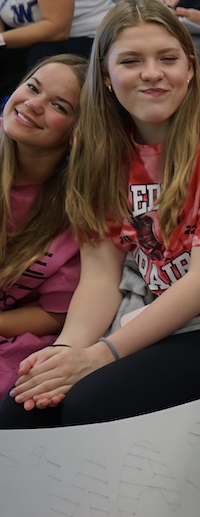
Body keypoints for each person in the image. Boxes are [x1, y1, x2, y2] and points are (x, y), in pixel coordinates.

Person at [0, 0, 200, 428]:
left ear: (190, 67)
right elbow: (101, 277)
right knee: (21, 410)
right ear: (105, 77)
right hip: (144, 305)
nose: (152, 73)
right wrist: (67, 352)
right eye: (130, 60)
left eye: (167, 58)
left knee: (90, 405)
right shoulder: (101, 151)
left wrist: (99, 356)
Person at [0, 55, 85, 396]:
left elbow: (55, 314)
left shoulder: (82, 204)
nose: (33, 104)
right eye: (33, 87)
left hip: (19, 338)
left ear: (79, 132)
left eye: (59, 106)